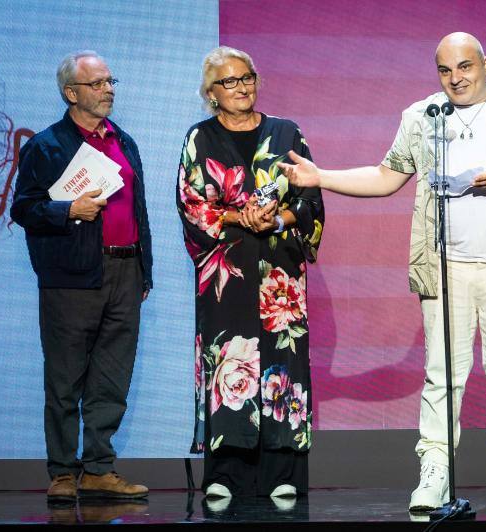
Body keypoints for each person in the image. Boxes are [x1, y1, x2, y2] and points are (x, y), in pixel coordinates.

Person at [278, 32, 486, 511]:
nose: (456, 78)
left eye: (465, 67)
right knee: (442, 374)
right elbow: (387, 176)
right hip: (445, 265)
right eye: (446, 70)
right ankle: (434, 472)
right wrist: (319, 176)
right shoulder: (423, 117)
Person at [177, 46, 324, 500]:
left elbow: (310, 198)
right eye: (229, 82)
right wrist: (243, 218)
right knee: (228, 361)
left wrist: (279, 220)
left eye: (247, 78)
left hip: (279, 272)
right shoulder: (199, 138)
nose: (241, 88)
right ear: (211, 93)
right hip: (227, 272)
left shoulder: (287, 133)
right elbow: (191, 202)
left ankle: (283, 475)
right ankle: (226, 475)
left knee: (284, 364)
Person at [10, 50, 153, 502]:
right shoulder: (47, 146)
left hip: (125, 271)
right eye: (97, 83)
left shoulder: (123, 141)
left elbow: (139, 211)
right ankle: (62, 473)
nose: (108, 89)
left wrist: (144, 270)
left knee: (112, 377)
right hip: (71, 278)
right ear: (71, 93)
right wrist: (67, 209)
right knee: (65, 379)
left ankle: (98, 470)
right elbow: (24, 208)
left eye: (111, 81)